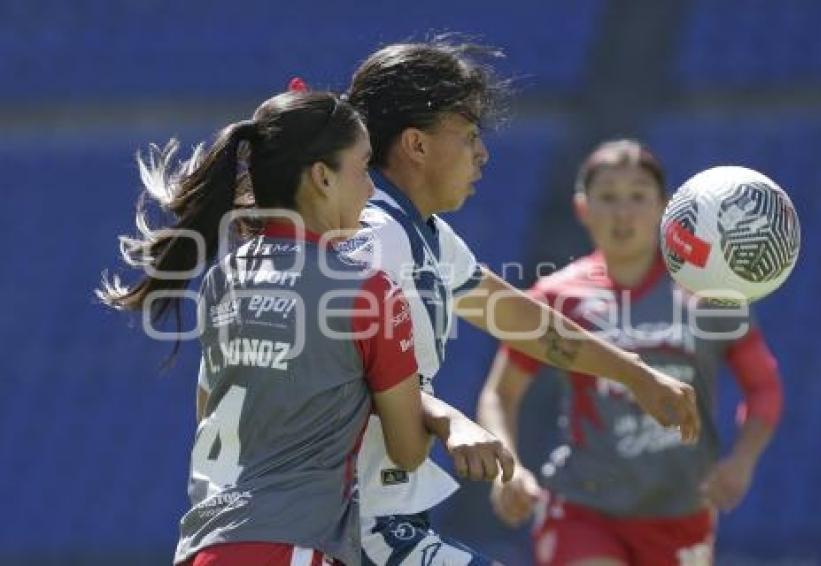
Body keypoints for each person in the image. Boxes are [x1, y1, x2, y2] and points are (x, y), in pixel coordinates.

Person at [344, 41, 701, 565]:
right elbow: (341, 374)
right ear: (416, 145)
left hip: (382, 520)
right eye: (468, 137)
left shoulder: (426, 237)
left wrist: (635, 375)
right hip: (347, 524)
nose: (482, 154)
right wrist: (448, 421)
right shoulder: (372, 237)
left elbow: (518, 318)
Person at [98, 89, 437, 565]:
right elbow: (407, 452)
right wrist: (431, 410)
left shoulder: (223, 278)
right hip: (289, 545)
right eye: (362, 170)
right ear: (322, 177)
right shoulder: (367, 290)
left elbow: (208, 412)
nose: (370, 190)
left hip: (205, 545)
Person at [479, 139, 784, 566]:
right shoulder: (556, 297)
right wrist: (507, 469)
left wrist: (743, 460)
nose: (623, 213)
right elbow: (500, 394)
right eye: (607, 197)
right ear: (583, 208)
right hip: (583, 507)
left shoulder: (709, 292)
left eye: (638, 196)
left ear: (665, 207)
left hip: (683, 514)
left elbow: (764, 386)